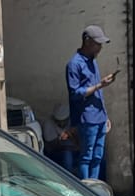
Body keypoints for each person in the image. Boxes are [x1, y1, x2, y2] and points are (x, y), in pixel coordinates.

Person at [66, 25, 117, 180]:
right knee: (86, 156)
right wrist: (100, 85)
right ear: (87, 42)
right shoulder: (74, 64)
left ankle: (95, 188)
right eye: (97, 43)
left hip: (99, 116)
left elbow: (98, 93)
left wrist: (105, 115)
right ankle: (87, 187)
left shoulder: (92, 61)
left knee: (98, 156)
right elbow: (75, 93)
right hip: (87, 118)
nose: (100, 47)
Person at [42, 102, 81, 172]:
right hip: (58, 153)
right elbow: (51, 147)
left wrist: (71, 134)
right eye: (58, 121)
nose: (61, 124)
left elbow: (80, 142)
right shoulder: (48, 123)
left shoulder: (73, 121)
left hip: (75, 151)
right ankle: (69, 177)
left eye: (63, 121)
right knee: (67, 156)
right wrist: (62, 140)